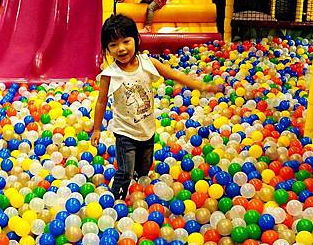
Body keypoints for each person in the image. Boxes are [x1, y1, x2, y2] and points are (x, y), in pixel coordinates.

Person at [91, 14, 222, 201]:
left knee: (144, 168)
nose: (121, 48)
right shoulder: (110, 74)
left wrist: (200, 86)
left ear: (136, 40)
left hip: (147, 129)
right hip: (125, 132)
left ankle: (139, 191)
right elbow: (101, 101)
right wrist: (97, 128)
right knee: (125, 171)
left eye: (126, 41)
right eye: (113, 45)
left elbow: (174, 75)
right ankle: (117, 200)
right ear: (107, 49)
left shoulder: (148, 63)